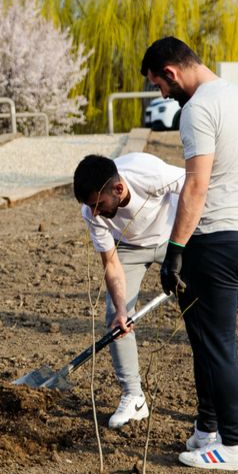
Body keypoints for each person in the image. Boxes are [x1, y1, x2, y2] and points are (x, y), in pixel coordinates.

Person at [140, 37, 238, 471]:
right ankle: (207, 428)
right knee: (205, 339)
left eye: (159, 85)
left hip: (215, 242)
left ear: (171, 73)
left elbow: (196, 185)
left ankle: (233, 446)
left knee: (217, 345)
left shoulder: (197, 109)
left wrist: (174, 251)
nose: (163, 94)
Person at [72, 153, 185, 429]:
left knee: (200, 308)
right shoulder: (91, 212)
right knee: (115, 316)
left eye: (99, 205)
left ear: (118, 189)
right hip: (129, 248)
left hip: (174, 239)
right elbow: (111, 263)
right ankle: (134, 396)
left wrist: (192, 243)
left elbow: (196, 188)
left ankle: (212, 401)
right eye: (90, 206)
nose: (94, 212)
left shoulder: (150, 174)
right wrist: (122, 309)